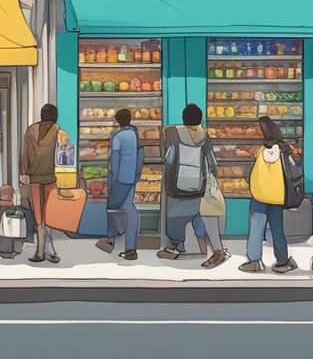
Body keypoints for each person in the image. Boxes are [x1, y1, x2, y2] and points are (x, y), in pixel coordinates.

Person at [157, 104, 226, 269]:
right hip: (198, 184)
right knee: (205, 213)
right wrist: (213, 176)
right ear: (200, 119)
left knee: (174, 216)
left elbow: (168, 158)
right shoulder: (205, 136)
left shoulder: (173, 134)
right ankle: (216, 248)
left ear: (183, 118)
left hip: (177, 183)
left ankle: (175, 247)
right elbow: (212, 162)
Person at [242, 116, 296, 274]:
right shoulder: (285, 150)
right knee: (277, 229)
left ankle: (254, 261)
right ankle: (282, 262)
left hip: (260, 197)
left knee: (256, 229)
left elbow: (255, 174)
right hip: (277, 198)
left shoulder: (260, 151)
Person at [96, 109, 141, 261]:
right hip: (131, 177)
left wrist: (112, 179)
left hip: (119, 179)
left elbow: (115, 163)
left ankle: (111, 239)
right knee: (130, 209)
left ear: (118, 121)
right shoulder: (134, 134)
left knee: (112, 208)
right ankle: (130, 247)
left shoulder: (118, 137)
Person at [20, 104, 62, 264]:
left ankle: (40, 252)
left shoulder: (30, 131)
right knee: (49, 215)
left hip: (34, 180)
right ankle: (50, 251)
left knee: (39, 218)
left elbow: (25, 155)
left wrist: (24, 173)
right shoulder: (58, 130)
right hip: (51, 178)